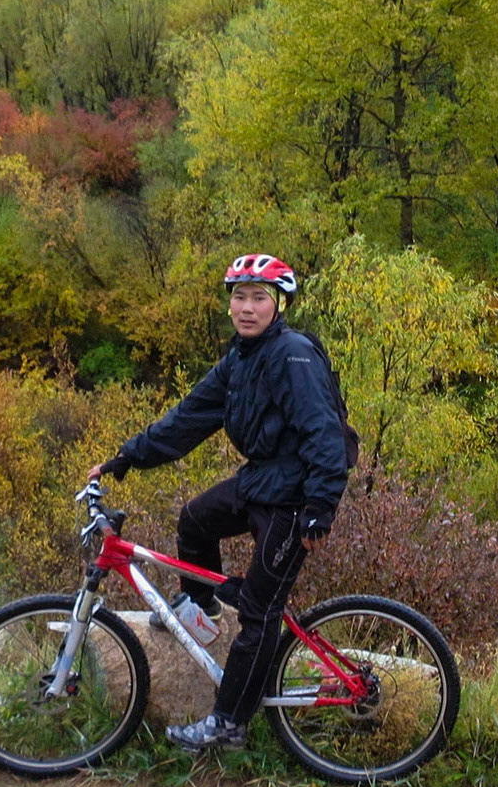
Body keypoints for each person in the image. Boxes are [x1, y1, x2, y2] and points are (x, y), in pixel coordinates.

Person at [88, 253, 351, 753]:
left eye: (258, 298)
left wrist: (321, 506)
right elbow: (187, 419)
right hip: (262, 480)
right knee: (195, 519)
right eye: (239, 296)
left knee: (258, 614)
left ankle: (229, 723)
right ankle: (203, 608)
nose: (246, 308)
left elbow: (324, 434)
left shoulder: (293, 355)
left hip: (294, 498)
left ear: (278, 305)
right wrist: (126, 458)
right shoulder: (239, 359)